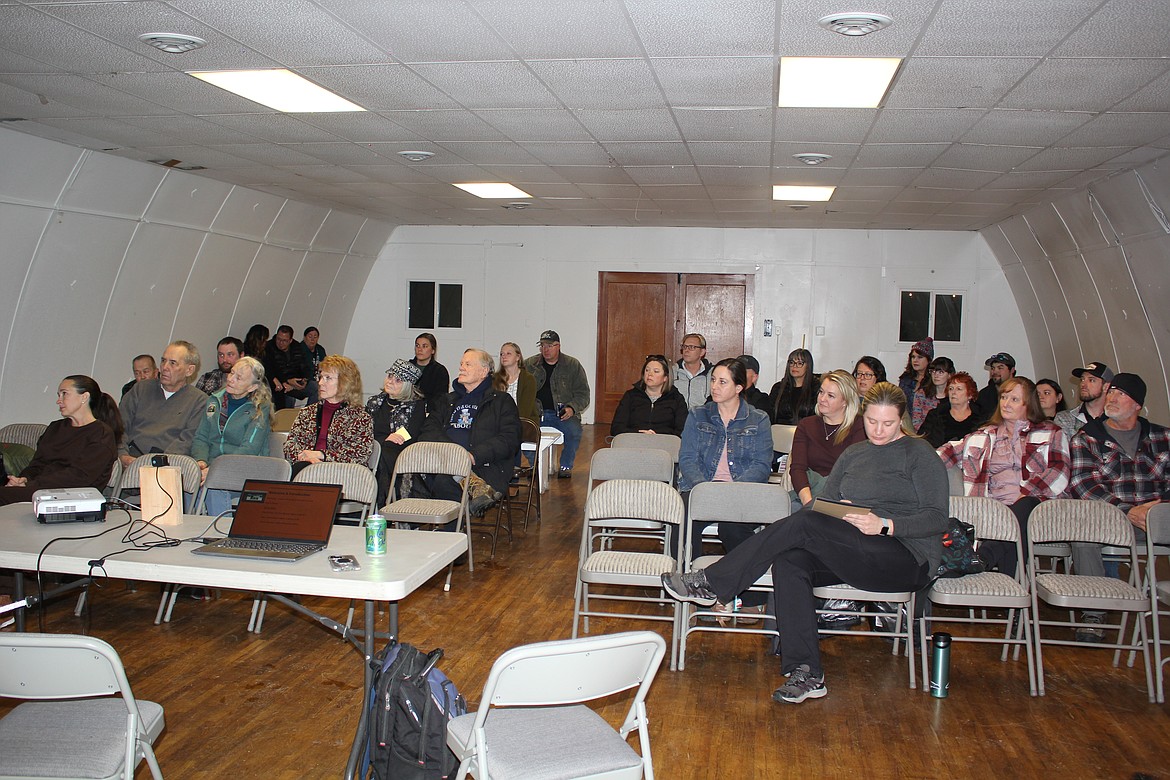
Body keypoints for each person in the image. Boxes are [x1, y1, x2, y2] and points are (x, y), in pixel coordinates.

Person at [663, 382, 949, 704]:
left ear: (902, 420)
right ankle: (807, 672)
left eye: (888, 424)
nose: (879, 430)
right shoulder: (854, 454)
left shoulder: (918, 453)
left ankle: (713, 581)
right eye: (871, 422)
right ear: (861, 415)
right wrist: (842, 511)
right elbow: (823, 505)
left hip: (905, 558)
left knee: (805, 525)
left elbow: (938, 518)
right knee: (791, 561)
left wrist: (885, 524)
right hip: (855, 552)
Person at [1067, 372, 1170, 642]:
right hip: (1109, 518)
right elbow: (1084, 486)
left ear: (1137, 404)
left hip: (1157, 518)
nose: (1111, 398)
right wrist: (1127, 511)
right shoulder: (1087, 437)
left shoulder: (1163, 438)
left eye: (1120, 394)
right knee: (1083, 530)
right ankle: (1094, 611)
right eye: (1110, 392)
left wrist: (1156, 510)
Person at [937, 377, 1069, 577]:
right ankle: (1013, 598)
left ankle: (983, 557)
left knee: (1022, 509)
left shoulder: (1051, 432)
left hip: (1037, 506)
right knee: (1012, 524)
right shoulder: (983, 435)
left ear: (1028, 403)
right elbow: (946, 453)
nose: (1006, 403)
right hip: (992, 509)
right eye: (1004, 397)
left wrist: (1024, 494)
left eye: (1014, 399)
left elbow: (1059, 471)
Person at [677, 357, 773, 563]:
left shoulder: (759, 419)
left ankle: (746, 588)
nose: (714, 386)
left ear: (739, 387)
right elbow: (687, 459)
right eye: (713, 380)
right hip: (701, 488)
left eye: (722, 382)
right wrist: (705, 488)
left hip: (742, 491)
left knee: (732, 528)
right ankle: (688, 578)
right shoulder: (697, 415)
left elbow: (761, 465)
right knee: (681, 519)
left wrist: (733, 490)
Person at [418, 349, 521, 518]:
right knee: (412, 474)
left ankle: (449, 535)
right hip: (441, 462)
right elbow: (429, 429)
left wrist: (474, 456)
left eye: (468, 364)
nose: (461, 368)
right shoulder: (447, 400)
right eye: (461, 364)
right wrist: (455, 453)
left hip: (484, 466)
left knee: (443, 481)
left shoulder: (501, 401)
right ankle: (473, 485)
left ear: (484, 371)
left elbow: (509, 439)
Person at [1, 376, 122, 505]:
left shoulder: (101, 434)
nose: (59, 401)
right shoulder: (55, 428)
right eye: (59, 395)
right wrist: (23, 479)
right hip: (41, 489)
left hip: (73, 495)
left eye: (65, 394)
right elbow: (38, 464)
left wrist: (32, 485)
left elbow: (80, 477)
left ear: (84, 397)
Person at [190, 356, 273, 516]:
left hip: (246, 470)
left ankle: (222, 535)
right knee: (186, 485)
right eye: (231, 373)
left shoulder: (260, 409)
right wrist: (200, 462)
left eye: (239, 378)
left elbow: (249, 449)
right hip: (211, 467)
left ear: (252, 387)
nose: (231, 379)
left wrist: (215, 469)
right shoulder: (214, 401)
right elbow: (201, 437)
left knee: (215, 486)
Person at [118, 341, 208, 468]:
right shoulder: (140, 389)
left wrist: (156, 465)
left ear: (189, 370)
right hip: (128, 460)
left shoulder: (199, 401)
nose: (164, 367)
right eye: (163, 361)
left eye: (172, 363)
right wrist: (122, 454)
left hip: (165, 467)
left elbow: (186, 441)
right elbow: (119, 426)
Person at [283, 355, 374, 478]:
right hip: (305, 469)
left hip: (341, 475)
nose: (320, 383)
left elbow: (360, 454)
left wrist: (322, 455)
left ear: (345, 382)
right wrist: (306, 457)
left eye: (328, 378)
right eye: (320, 377)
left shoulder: (360, 418)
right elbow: (290, 445)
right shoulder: (307, 412)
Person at [789, 370, 866, 511]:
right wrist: (809, 504)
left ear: (845, 402)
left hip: (842, 497)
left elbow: (854, 473)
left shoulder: (860, 427)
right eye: (821, 392)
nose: (822, 399)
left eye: (830, 396)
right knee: (792, 512)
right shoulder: (806, 425)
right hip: (809, 494)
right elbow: (797, 469)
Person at [525, 329, 590, 478]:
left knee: (574, 432)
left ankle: (566, 465)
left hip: (562, 413)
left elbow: (583, 394)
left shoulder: (572, 365)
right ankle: (535, 464)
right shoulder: (529, 364)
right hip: (536, 413)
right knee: (522, 429)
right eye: (542, 345)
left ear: (558, 346)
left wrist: (572, 408)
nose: (545, 349)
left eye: (549, 345)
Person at [366, 359, 428, 507]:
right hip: (373, 448)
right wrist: (384, 439)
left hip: (399, 453)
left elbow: (408, 435)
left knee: (382, 456)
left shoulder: (416, 406)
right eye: (390, 376)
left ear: (407, 385)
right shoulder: (374, 402)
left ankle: (379, 506)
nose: (390, 382)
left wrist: (383, 441)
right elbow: (364, 431)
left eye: (398, 380)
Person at [609, 354, 688, 437]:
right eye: (647, 370)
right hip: (633, 441)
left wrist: (657, 435)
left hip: (664, 443)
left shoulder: (676, 399)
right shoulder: (631, 396)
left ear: (665, 377)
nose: (650, 374)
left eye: (656, 371)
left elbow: (682, 431)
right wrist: (639, 433)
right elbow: (616, 428)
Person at [918, 371, 982, 448]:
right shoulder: (935, 415)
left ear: (970, 394)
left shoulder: (981, 417)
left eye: (959, 389)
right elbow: (920, 441)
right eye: (951, 389)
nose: (953, 392)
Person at [1053, 361, 1113, 439]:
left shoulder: (1116, 419)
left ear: (1106, 387)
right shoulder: (1064, 418)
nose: (1083, 384)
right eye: (1082, 379)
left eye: (1091, 380)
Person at [263, 325, 311, 409]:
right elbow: (270, 370)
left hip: (296, 380)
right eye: (278, 339)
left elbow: (304, 365)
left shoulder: (297, 347)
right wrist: (286, 381)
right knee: (288, 397)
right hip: (281, 383)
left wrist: (305, 379)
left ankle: (309, 414)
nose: (281, 343)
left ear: (290, 340)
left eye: (284, 341)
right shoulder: (269, 347)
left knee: (315, 388)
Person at [768, 348, 817, 425]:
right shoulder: (778, 388)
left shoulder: (816, 388)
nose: (794, 366)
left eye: (800, 363)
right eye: (792, 362)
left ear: (808, 366)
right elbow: (770, 415)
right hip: (780, 432)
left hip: (807, 432)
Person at [494, 342, 539, 423]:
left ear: (518, 357)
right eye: (502, 354)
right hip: (499, 422)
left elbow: (526, 410)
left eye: (508, 354)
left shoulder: (528, 379)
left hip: (523, 422)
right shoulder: (494, 379)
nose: (504, 356)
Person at [911, 356, 954, 431]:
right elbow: (916, 421)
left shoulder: (954, 395)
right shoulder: (921, 394)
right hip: (925, 435)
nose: (936, 375)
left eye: (941, 372)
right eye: (933, 371)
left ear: (949, 375)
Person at [674, 333, 713, 410]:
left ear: (702, 352)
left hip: (703, 419)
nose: (686, 350)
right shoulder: (673, 372)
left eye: (691, 347)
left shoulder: (712, 374)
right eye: (685, 347)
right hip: (677, 419)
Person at [410, 332, 450, 406]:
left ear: (433, 350)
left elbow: (440, 399)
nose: (420, 349)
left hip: (428, 412)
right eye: (417, 346)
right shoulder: (407, 367)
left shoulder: (440, 371)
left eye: (424, 346)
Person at [976, 352, 1016, 419]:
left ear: (1012, 370)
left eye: (1000, 368)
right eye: (992, 368)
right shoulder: (983, 395)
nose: (995, 372)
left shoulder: (1021, 393)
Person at [897, 337, 933, 409]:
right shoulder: (905, 379)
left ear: (928, 360)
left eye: (920, 357)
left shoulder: (933, 380)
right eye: (913, 357)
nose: (915, 360)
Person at [301, 326, 326, 404]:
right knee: (317, 387)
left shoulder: (320, 350)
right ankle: (309, 412)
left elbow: (326, 365)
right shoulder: (298, 349)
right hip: (304, 380)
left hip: (318, 378)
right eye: (310, 336)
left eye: (315, 337)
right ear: (305, 337)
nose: (312, 339)